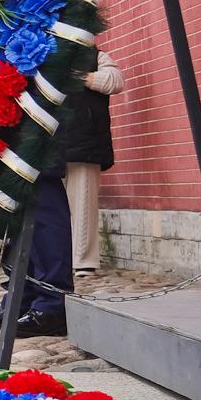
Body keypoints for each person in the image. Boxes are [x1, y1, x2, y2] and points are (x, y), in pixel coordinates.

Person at [60, 51, 123, 273]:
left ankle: (83, 261)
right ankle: (58, 259)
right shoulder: (41, 52)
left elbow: (115, 81)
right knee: (52, 206)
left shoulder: (95, 56)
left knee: (83, 204)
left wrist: (79, 76)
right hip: (51, 143)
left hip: (85, 142)